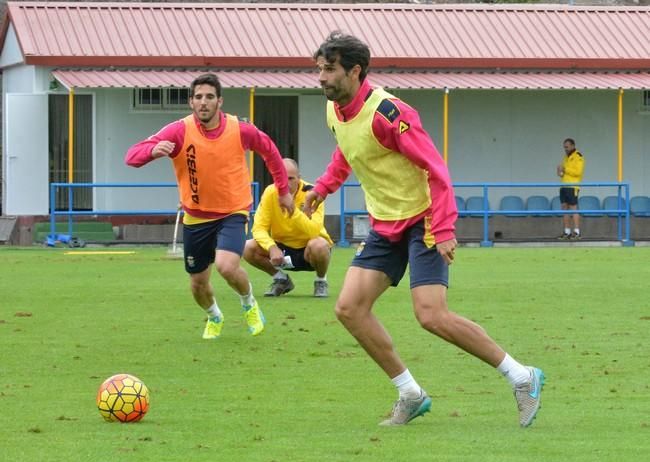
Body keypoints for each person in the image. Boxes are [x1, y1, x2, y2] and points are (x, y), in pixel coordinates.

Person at [305, 32, 545, 427]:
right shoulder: (335, 110)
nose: (321, 78)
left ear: (355, 71)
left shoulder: (390, 114)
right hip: (386, 225)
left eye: (329, 70)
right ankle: (410, 394)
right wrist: (323, 187)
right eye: (319, 69)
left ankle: (522, 377)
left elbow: (436, 169)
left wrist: (445, 228)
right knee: (349, 308)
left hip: (424, 221)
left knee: (431, 315)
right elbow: (347, 152)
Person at [125, 73, 293, 339]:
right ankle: (214, 316)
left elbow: (270, 151)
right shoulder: (178, 130)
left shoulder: (240, 129)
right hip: (195, 216)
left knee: (226, 266)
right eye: (199, 97)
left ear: (219, 101)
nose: (204, 102)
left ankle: (249, 303)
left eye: (209, 97)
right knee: (197, 284)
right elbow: (131, 156)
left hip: (233, 212)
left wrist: (283, 190)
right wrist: (151, 151)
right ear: (191, 102)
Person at [243, 158, 333, 298]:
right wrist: (272, 247)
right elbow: (258, 228)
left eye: (291, 178)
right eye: (281, 178)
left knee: (319, 245)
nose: (285, 183)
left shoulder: (312, 193)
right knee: (248, 248)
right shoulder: (270, 193)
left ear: (299, 178)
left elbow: (314, 231)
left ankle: (321, 281)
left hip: (308, 250)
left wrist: (293, 210)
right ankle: (281, 279)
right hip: (282, 249)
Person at [556, 138, 585, 240]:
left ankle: (577, 232)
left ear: (572, 146)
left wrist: (565, 169)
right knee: (564, 208)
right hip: (564, 186)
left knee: (573, 208)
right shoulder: (566, 157)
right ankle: (566, 231)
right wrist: (560, 172)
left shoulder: (578, 156)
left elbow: (578, 172)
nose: (565, 149)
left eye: (567, 147)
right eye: (564, 147)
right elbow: (563, 173)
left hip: (573, 186)